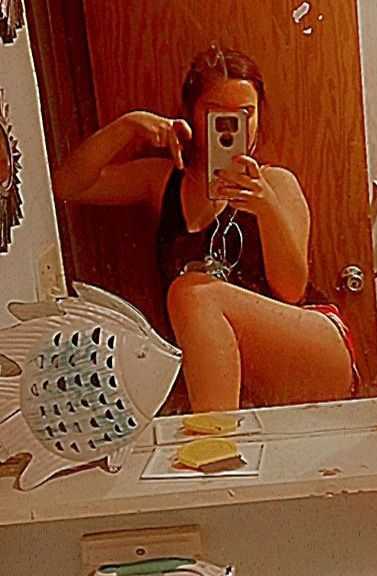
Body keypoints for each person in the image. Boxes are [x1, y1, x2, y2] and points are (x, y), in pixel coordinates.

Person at [53, 45, 359, 413]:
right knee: (193, 297)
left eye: (245, 114)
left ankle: (216, 437)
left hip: (315, 346)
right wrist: (128, 127)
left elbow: (292, 289)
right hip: (243, 374)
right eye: (216, 114)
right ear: (191, 114)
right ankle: (220, 430)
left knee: (192, 293)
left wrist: (266, 208)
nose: (232, 126)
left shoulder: (277, 184)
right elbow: (69, 186)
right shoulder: (164, 181)